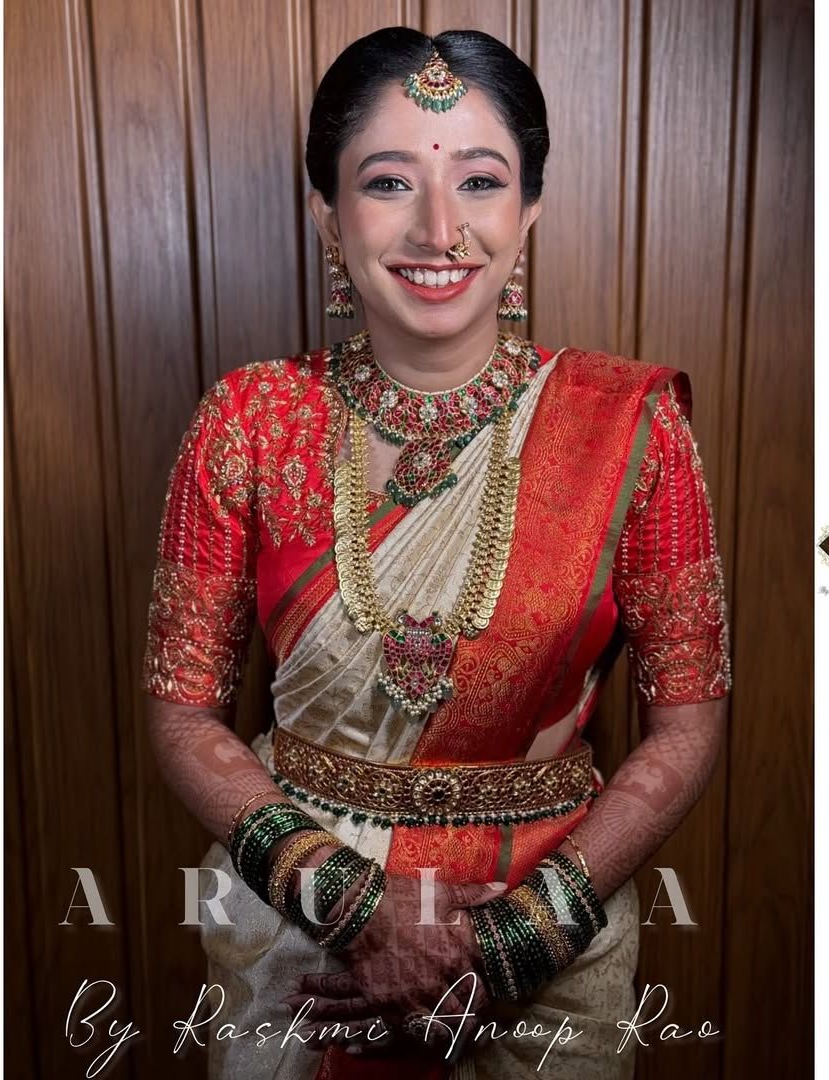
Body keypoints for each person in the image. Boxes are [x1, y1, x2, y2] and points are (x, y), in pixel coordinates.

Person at [143, 26, 731, 1080]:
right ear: (328, 214)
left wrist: (516, 941)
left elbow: (688, 724)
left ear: (529, 208)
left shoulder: (628, 427)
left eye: (481, 181)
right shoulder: (248, 421)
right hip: (297, 933)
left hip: (553, 926)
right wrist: (352, 906)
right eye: (387, 181)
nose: (440, 227)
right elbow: (182, 716)